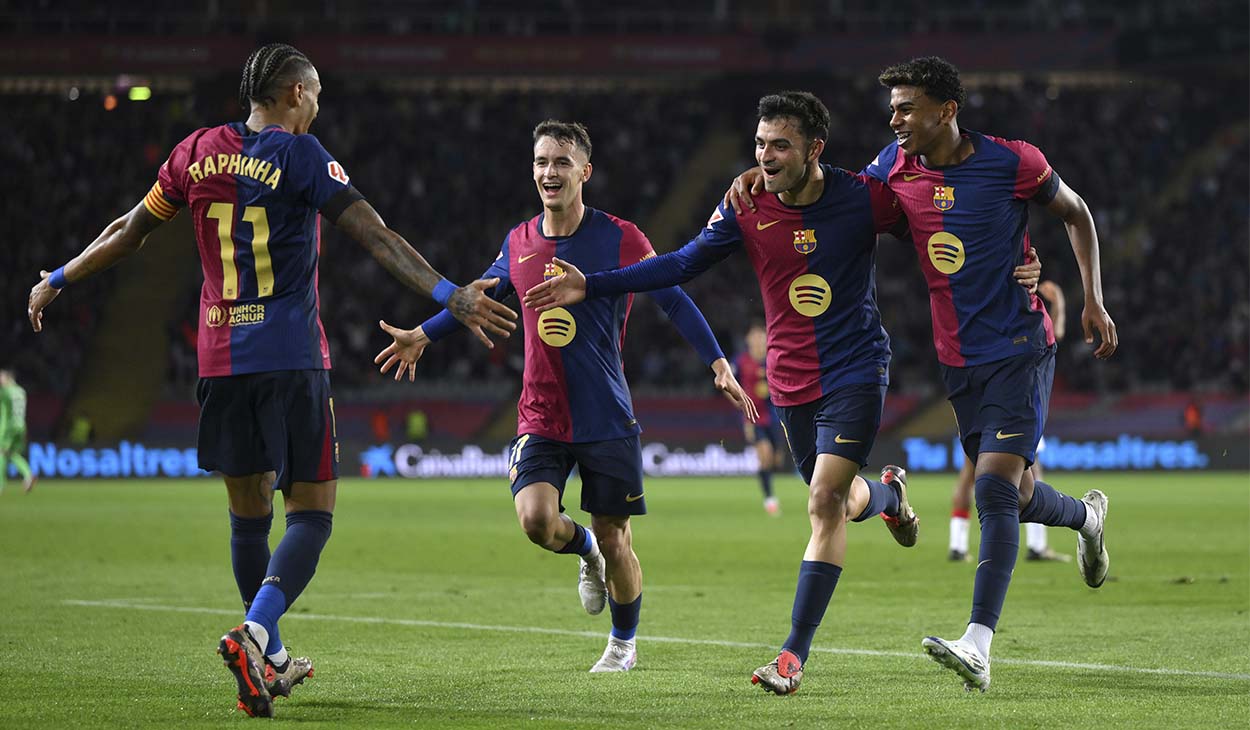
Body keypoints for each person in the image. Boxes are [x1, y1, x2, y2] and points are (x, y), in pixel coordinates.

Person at [26, 43, 517, 717]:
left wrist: (59, 276)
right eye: (313, 94)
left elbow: (128, 230)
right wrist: (449, 294)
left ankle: (273, 661)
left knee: (247, 515)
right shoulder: (301, 156)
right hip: (288, 356)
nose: (317, 105)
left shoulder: (195, 152)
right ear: (291, 94)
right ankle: (256, 634)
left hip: (219, 360)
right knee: (311, 513)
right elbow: (376, 235)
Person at [523, 92, 1038, 695]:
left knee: (822, 503)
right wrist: (595, 285)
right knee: (840, 502)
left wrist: (1021, 257)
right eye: (760, 145)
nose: (765, 156)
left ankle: (792, 657)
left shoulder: (863, 196)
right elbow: (682, 264)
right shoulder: (744, 204)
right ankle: (890, 497)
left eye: (780, 145)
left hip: (856, 370)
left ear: (814, 150)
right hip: (790, 383)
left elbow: (938, 219)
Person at [374, 119, 755, 674]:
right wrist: (422, 334)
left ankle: (623, 643)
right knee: (535, 520)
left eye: (560, 162)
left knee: (619, 538)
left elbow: (671, 296)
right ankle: (585, 553)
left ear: (585, 172)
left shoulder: (621, 238)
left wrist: (718, 363)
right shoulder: (519, 239)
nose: (548, 172)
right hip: (541, 414)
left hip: (605, 414)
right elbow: (474, 299)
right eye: (540, 162)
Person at [948, 279, 1070, 563]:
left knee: (969, 475)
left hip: (976, 394)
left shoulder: (981, 310)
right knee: (1031, 472)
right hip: (1011, 400)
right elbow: (1054, 334)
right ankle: (1037, 546)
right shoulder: (1020, 310)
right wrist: (1060, 305)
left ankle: (957, 544)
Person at [735, 321, 784, 515]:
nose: (757, 340)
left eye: (761, 336)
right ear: (748, 339)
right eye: (754, 336)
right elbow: (729, 383)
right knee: (764, 455)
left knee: (775, 460)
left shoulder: (774, 359)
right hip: (754, 416)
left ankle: (768, 486)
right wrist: (740, 406)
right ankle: (769, 499)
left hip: (775, 415)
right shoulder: (741, 361)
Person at [0, 369, 36, 494]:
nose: (1, 380)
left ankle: (1, 484)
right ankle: (28, 475)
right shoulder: (21, 391)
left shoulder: (5, 392)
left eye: (2, 378)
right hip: (21, 426)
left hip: (8, 428)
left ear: (9, 378)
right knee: (11, 453)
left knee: (2, 453)